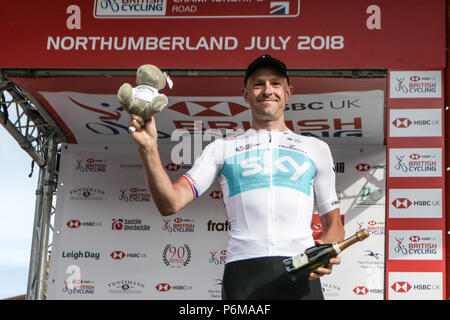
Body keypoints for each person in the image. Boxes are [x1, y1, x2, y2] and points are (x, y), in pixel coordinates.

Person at [128, 55, 345, 300]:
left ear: (288, 92)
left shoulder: (316, 148)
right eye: (258, 84)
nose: (267, 90)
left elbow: (334, 224)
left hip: (301, 269)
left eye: (275, 83)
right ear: (245, 94)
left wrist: (327, 249)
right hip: (244, 272)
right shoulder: (222, 148)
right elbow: (170, 203)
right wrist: (149, 148)